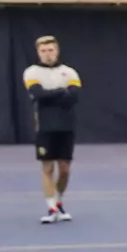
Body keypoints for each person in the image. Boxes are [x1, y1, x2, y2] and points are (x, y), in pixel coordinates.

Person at [22, 35, 82, 224]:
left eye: (51, 50)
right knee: (47, 167)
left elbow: (74, 96)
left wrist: (50, 94)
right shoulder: (31, 72)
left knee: (64, 169)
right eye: (43, 51)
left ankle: (59, 201)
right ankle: (51, 207)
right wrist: (60, 91)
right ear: (38, 52)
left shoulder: (70, 72)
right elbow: (38, 94)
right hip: (45, 126)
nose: (48, 54)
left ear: (57, 51)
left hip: (66, 125)